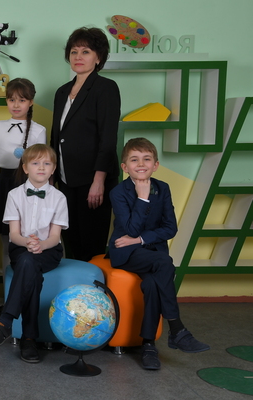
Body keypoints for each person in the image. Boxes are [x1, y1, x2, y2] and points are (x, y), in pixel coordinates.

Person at [108, 137, 210, 370]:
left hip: (151, 252)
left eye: (146, 159)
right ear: (125, 167)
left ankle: (148, 346)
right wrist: (142, 198)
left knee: (153, 284)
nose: (140, 164)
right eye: (134, 160)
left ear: (155, 165)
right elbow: (131, 229)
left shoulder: (163, 188)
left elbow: (170, 228)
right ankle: (177, 329)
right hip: (126, 252)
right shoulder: (118, 192)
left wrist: (141, 239)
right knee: (164, 262)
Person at [0, 144, 68, 363]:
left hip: (49, 250)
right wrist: (28, 242)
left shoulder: (59, 197)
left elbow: (55, 237)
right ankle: (29, 338)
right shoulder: (14, 195)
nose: (41, 167)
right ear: (25, 167)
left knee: (30, 264)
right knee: (30, 268)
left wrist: (41, 245)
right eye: (35, 163)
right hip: (21, 246)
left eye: (47, 163)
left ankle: (5, 321)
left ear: (53, 169)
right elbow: (14, 234)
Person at [51, 27, 121, 262]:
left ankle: (92, 287)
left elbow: (108, 139)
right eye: (74, 52)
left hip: (93, 181)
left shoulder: (105, 88)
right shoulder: (61, 92)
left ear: (98, 57)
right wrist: (52, 178)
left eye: (86, 51)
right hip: (65, 180)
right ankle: (73, 287)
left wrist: (98, 181)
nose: (78, 57)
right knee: (70, 243)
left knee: (92, 247)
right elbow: (56, 137)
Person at [0, 78, 47, 269]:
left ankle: (27, 276)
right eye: (11, 100)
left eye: (22, 100)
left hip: (28, 185)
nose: (16, 105)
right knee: (6, 236)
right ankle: (9, 281)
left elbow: (42, 165)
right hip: (4, 184)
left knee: (28, 234)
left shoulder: (39, 130)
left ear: (31, 102)